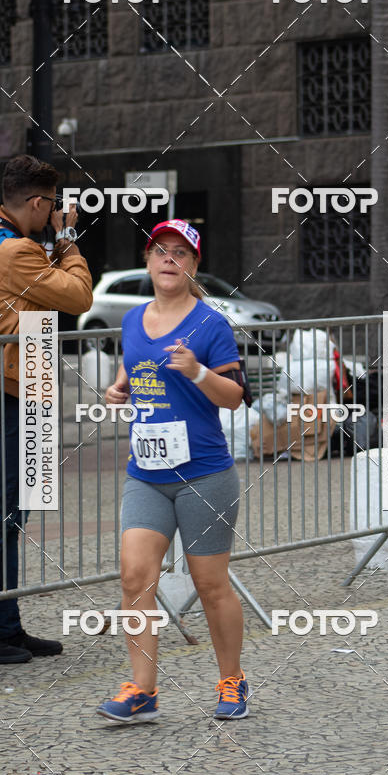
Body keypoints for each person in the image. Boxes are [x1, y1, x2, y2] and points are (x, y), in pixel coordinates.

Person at [97, 219, 249, 723]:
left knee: (210, 585)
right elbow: (132, 373)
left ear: (193, 265)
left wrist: (198, 371)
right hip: (146, 473)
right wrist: (117, 390)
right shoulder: (133, 320)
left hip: (204, 474)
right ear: (148, 260)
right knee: (134, 576)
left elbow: (234, 397)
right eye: (161, 250)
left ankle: (232, 680)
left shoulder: (211, 324)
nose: (169, 259)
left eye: (180, 253)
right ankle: (143, 691)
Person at [0, 155, 93, 664]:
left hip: (20, 386)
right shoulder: (16, 252)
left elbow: (46, 291)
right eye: (52, 206)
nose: (55, 214)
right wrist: (69, 238)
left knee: (10, 515)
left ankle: (4, 626)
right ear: (37, 202)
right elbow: (78, 295)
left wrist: (52, 243)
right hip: (13, 392)